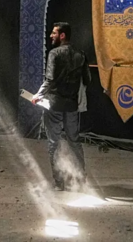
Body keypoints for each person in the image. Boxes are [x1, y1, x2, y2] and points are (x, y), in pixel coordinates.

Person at [33, 21, 90, 191]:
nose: (51, 35)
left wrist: (38, 95)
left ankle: (59, 183)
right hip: (72, 105)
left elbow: (50, 79)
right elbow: (87, 79)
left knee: (53, 142)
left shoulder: (54, 54)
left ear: (62, 35)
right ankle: (81, 180)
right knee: (74, 141)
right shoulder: (81, 54)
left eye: (54, 33)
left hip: (54, 104)